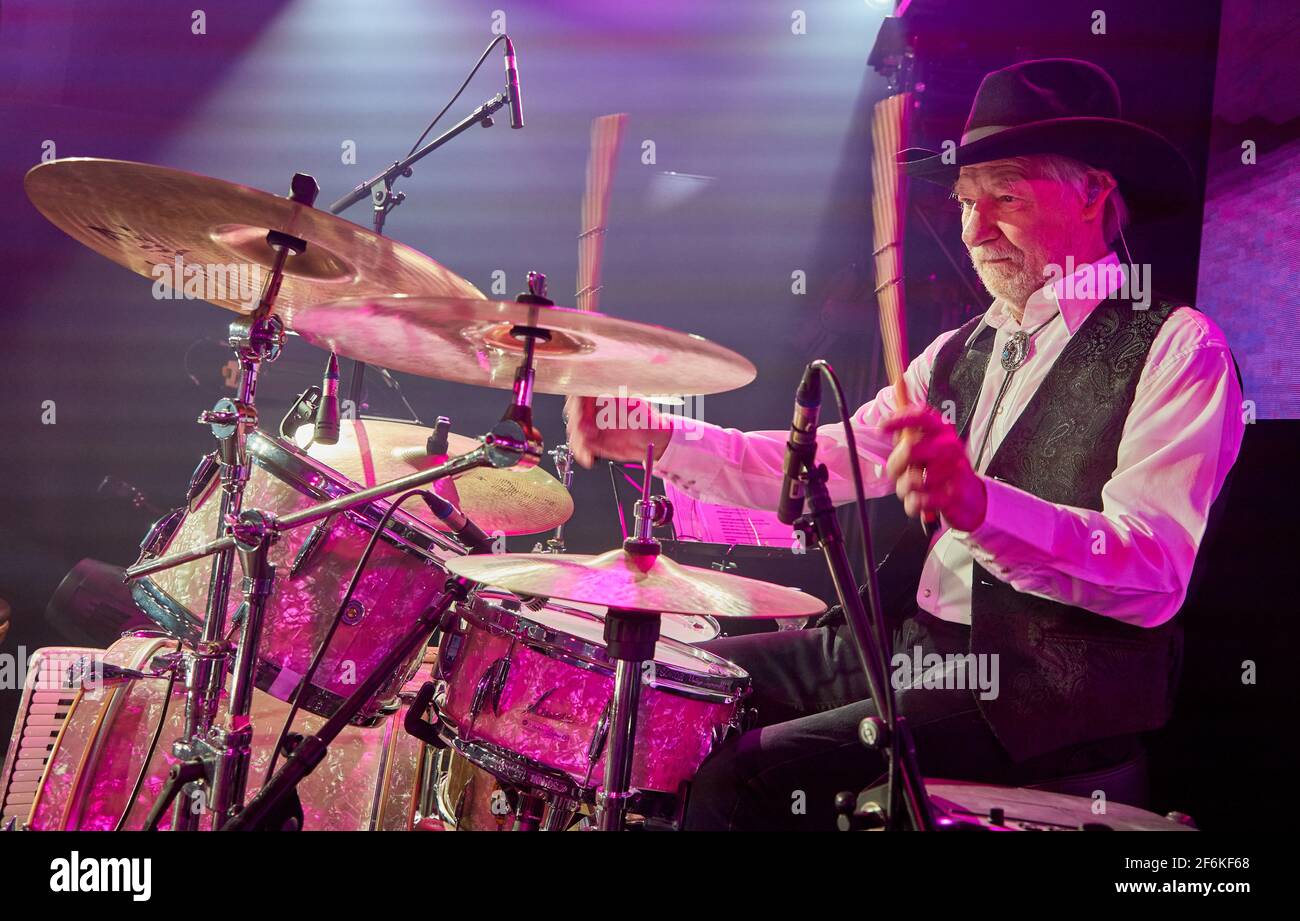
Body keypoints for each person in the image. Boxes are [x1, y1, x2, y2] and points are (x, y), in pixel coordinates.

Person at [566, 59, 1244, 830]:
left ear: (1093, 192)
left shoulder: (1177, 347)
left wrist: (980, 507)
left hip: (1033, 694)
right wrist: (657, 434)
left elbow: (1152, 570)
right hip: (914, 647)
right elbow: (824, 459)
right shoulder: (960, 351)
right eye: (965, 202)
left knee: (745, 778)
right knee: (666, 681)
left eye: (1006, 197)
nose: (975, 229)